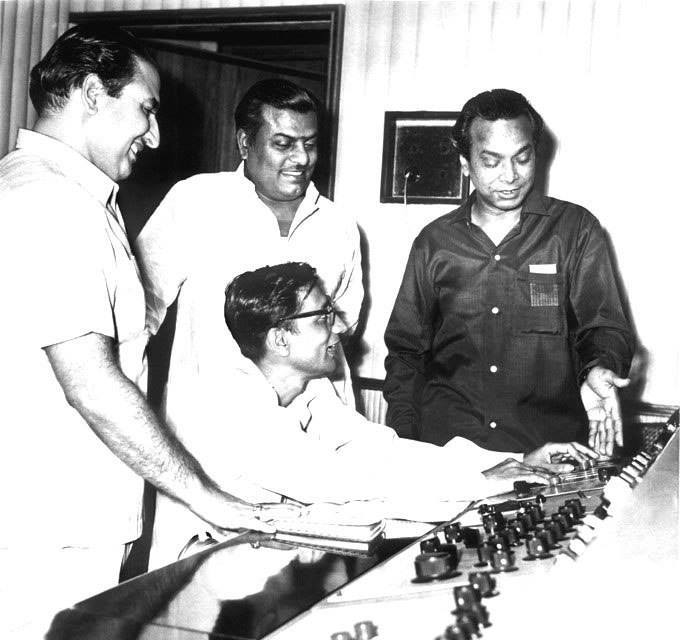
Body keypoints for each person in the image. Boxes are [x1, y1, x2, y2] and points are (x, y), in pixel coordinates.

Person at [0, 26, 282, 638]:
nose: (154, 136)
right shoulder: (54, 204)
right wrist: (205, 497)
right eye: (146, 109)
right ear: (94, 94)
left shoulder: (39, 188)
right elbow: (92, 385)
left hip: (62, 520)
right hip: (53, 533)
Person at [149, 261, 599, 567]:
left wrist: (514, 461)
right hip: (210, 571)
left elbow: (383, 450)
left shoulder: (313, 388)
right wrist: (482, 484)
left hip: (272, 553)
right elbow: (337, 481)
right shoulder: (233, 403)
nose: (340, 327)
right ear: (280, 340)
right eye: (323, 317)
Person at [134, 79, 362, 565]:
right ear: (245, 142)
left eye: (310, 143)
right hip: (210, 452)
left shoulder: (339, 225)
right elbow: (139, 314)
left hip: (312, 446)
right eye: (282, 143)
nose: (300, 158)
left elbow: (340, 329)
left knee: (303, 594)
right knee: (190, 597)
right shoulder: (196, 202)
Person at [384, 88, 635, 457]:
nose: (510, 176)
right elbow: (407, 354)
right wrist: (403, 447)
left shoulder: (574, 230)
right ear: (466, 163)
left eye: (522, 158)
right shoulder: (434, 243)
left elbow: (603, 327)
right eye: (491, 161)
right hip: (452, 455)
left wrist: (600, 367)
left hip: (548, 452)